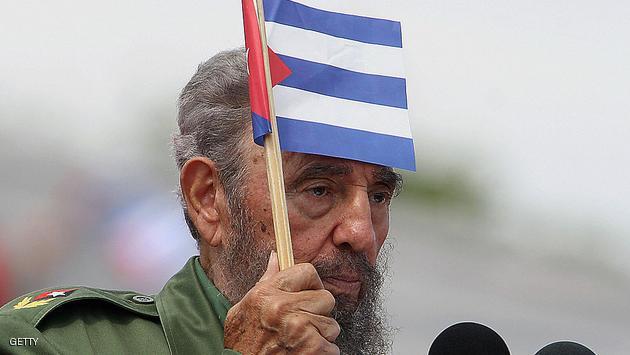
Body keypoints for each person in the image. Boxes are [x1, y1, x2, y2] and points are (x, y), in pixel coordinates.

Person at [0, 48, 402, 354]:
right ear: (208, 197)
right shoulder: (54, 343)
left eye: (379, 196)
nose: (361, 232)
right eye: (319, 189)